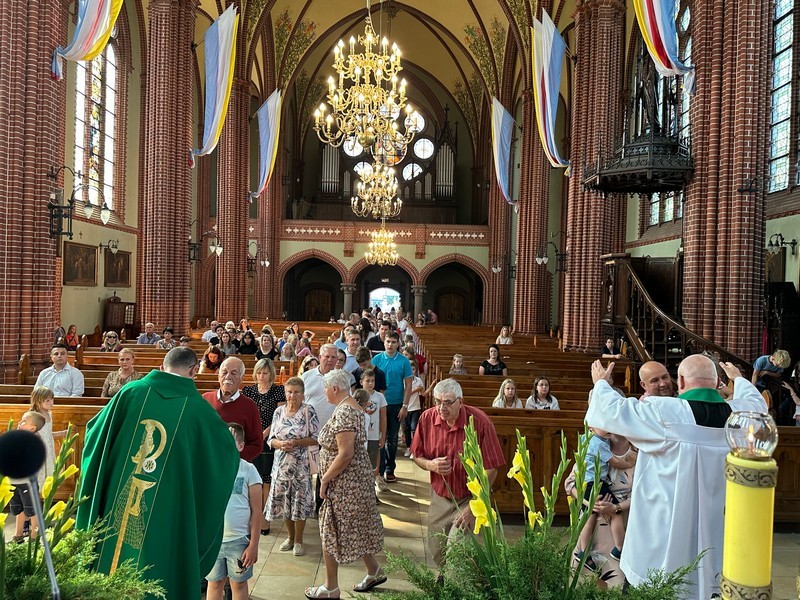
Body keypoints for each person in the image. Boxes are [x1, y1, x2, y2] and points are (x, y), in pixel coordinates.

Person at [585, 356, 768, 599]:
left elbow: (608, 413)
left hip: (664, 533)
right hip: (719, 530)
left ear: (680, 381)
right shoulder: (743, 417)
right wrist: (739, 379)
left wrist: (600, 383)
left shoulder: (664, 412)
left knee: (655, 581)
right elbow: (758, 403)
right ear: (716, 383)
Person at [76, 347, 240, 599]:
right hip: (170, 513)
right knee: (158, 571)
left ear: (163, 367)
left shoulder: (130, 393)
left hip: (116, 504)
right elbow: (225, 457)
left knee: (111, 562)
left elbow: (95, 435)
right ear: (193, 371)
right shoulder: (200, 411)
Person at [305, 369, 385, 598]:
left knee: (329, 529)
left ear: (334, 388)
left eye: (325, 388)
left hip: (345, 482)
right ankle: (374, 570)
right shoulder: (349, 407)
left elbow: (346, 453)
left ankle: (330, 587)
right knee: (354, 526)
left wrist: (325, 479)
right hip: (353, 480)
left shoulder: (345, 412)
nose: (324, 392)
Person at [411, 378, 505, 568]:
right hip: (440, 495)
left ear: (460, 402)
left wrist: (474, 503)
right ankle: (445, 578)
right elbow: (417, 455)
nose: (441, 408)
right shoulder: (427, 419)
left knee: (457, 551)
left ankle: (455, 582)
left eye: (447, 402)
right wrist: (431, 465)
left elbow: (492, 467)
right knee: (437, 549)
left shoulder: (480, 422)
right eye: (437, 401)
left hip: (468, 497)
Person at [205, 424, 261, 600]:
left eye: (231, 442)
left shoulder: (248, 470)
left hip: (239, 541)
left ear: (241, 446)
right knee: (214, 583)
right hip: (214, 541)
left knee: (238, 584)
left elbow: (257, 511)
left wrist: (253, 545)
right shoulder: (211, 470)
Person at [266, 377, 318, 557]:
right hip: (281, 465)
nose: (292, 396)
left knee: (299, 502)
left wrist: (297, 442)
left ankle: (299, 540)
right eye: (289, 392)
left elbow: (316, 438)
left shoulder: (308, 410)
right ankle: (290, 537)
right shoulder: (279, 411)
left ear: (303, 394)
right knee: (285, 503)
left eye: (296, 392)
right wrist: (280, 444)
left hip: (301, 466)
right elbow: (270, 439)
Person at [301, 344, 355, 513]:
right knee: (306, 470)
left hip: (333, 434)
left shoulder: (343, 378)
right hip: (309, 433)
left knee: (325, 471)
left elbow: (348, 401)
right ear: (320, 357)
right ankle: (303, 504)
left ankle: (321, 505)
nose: (330, 360)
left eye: (334, 357)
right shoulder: (307, 376)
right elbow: (300, 402)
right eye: (327, 357)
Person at [574, 427, 629, 571]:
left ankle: (583, 552)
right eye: (602, 425)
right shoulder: (598, 443)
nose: (607, 427)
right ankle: (619, 548)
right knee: (616, 514)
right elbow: (615, 462)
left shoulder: (586, 438)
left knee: (589, 517)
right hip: (595, 483)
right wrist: (628, 463)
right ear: (591, 427)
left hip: (586, 483)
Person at [242, 358, 286, 535]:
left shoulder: (278, 391)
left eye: (265, 373)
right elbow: (245, 415)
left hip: (269, 440)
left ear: (271, 374)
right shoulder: (249, 391)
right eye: (259, 373)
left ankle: (264, 519)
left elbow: (280, 417)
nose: (262, 376)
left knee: (266, 480)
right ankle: (252, 517)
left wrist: (265, 433)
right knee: (252, 479)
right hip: (251, 439)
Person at [203, 357, 263, 462]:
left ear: (241, 378)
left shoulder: (249, 406)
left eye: (233, 373)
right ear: (218, 376)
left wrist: (233, 457)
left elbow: (256, 445)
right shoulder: (205, 400)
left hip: (234, 466)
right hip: (205, 463)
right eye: (224, 372)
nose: (228, 377)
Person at [372, 330, 412, 484]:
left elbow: (408, 385)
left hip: (396, 403)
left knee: (392, 438)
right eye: (388, 342)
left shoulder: (403, 361)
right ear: (384, 342)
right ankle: (379, 470)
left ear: (398, 344)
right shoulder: (377, 359)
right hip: (379, 403)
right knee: (379, 437)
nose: (390, 345)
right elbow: (370, 380)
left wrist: (405, 405)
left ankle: (390, 469)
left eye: (393, 342)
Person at [9, 410, 46, 543]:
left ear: (32, 428)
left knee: (32, 510)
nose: (20, 422)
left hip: (27, 482)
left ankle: (34, 536)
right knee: (18, 509)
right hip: (14, 481)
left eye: (24, 421)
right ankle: (18, 535)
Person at [360, 369, 387, 493]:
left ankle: (371, 492)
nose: (371, 384)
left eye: (373, 381)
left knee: (373, 466)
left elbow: (383, 417)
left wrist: (383, 436)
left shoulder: (379, 396)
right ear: (361, 382)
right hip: (361, 437)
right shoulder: (357, 396)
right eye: (368, 381)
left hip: (374, 435)